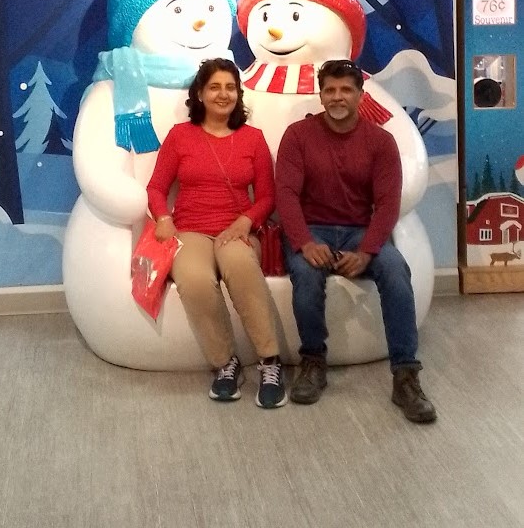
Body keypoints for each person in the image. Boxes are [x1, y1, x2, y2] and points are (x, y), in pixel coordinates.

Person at [275, 58, 436, 422]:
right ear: (320, 96)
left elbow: (388, 204)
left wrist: (367, 251)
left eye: (346, 89)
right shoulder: (297, 136)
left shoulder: (381, 142)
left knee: (395, 270)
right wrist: (304, 242)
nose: (337, 97)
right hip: (312, 229)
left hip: (360, 231)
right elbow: (285, 194)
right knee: (306, 276)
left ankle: (405, 376)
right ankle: (313, 361)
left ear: (361, 95)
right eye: (330, 90)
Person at [147, 57, 287, 408]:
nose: (223, 94)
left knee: (240, 266)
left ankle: (270, 361)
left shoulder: (253, 139)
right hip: (190, 230)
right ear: (199, 94)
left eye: (230, 87)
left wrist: (246, 221)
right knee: (194, 280)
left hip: (237, 230)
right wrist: (163, 218)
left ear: (238, 94)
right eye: (214, 87)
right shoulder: (180, 136)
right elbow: (156, 188)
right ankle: (226, 364)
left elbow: (267, 197)